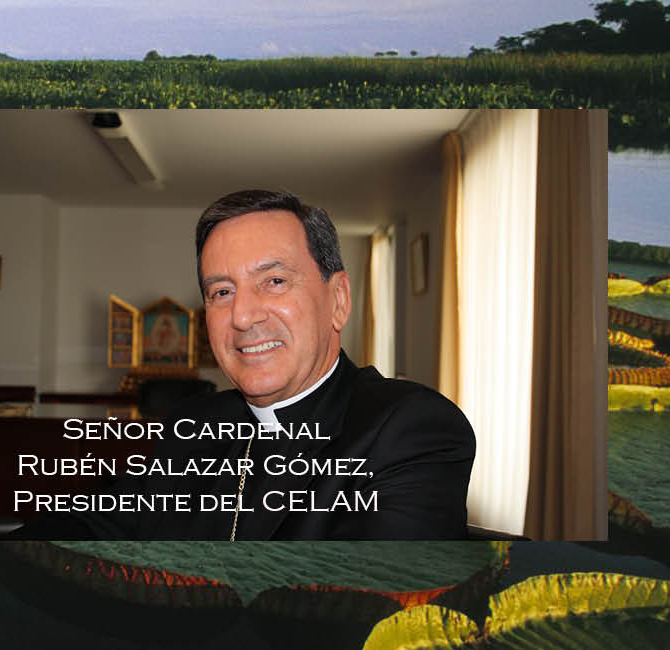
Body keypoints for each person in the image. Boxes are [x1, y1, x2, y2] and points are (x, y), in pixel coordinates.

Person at [30, 189, 475, 540]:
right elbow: (85, 527)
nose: (242, 316)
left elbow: (378, 616)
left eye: (274, 281)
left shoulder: (410, 428)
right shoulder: (194, 425)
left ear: (338, 300)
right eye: (221, 292)